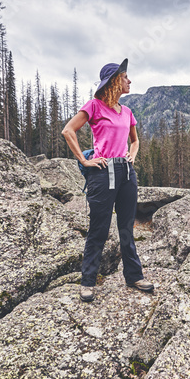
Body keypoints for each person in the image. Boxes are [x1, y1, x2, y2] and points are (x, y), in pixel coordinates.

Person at [63, 58, 154, 302]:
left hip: (125, 173)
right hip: (102, 174)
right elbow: (68, 130)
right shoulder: (94, 106)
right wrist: (84, 160)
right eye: (125, 77)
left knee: (126, 227)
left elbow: (135, 140)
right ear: (114, 81)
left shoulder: (127, 112)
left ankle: (133, 276)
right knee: (99, 229)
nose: (129, 81)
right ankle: (88, 282)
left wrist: (131, 156)